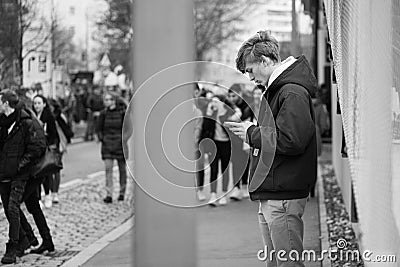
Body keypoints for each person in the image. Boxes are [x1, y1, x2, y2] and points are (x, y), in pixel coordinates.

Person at [226, 30, 317, 267]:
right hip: (276, 190)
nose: (249, 76)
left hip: (282, 192)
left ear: (265, 61)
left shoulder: (290, 91)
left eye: (249, 69)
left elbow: (291, 140)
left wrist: (250, 133)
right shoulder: (282, 89)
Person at [0, 90, 47, 264]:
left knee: (13, 207)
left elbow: (37, 147)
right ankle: (26, 238)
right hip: (3, 173)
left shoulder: (26, 122)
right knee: (8, 208)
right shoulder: (2, 123)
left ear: (6, 104)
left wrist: (19, 166)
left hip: (20, 174)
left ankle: (12, 246)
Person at [201, 94, 241, 206]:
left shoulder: (229, 114)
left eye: (216, 101)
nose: (214, 104)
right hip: (214, 144)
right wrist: (209, 113)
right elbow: (206, 128)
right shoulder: (211, 113)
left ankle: (223, 194)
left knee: (225, 170)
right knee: (213, 170)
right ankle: (213, 194)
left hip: (226, 144)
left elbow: (236, 118)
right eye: (212, 102)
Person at [97, 92, 127, 203]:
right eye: (105, 100)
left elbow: (129, 128)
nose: (107, 102)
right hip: (107, 145)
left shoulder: (122, 113)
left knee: (122, 170)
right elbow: (98, 129)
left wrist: (123, 139)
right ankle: (109, 193)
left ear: (114, 100)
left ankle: (122, 192)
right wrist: (102, 139)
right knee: (108, 169)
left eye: (109, 99)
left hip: (120, 145)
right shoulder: (103, 114)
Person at [32, 95, 59, 208]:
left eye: (39, 103)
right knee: (36, 174)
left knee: (46, 173)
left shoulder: (49, 117)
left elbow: (54, 134)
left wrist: (51, 146)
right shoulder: (32, 116)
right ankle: (38, 198)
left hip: (46, 148)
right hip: (35, 149)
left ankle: (48, 195)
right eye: (35, 103)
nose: (37, 106)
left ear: (44, 104)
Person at [227, 84, 252, 201]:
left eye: (234, 95)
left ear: (240, 94)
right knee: (236, 162)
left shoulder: (247, 105)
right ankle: (236, 187)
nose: (232, 98)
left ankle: (244, 186)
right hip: (233, 139)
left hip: (245, 138)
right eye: (230, 96)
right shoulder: (229, 105)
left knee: (245, 161)